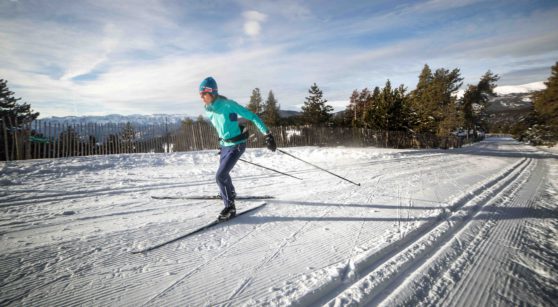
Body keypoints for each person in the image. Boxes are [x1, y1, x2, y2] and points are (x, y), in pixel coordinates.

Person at [199, 77, 277, 221]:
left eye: (203, 93)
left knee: (220, 176)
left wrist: (268, 134)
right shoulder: (208, 109)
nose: (201, 97)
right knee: (224, 174)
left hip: (237, 145)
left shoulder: (228, 104)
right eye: (200, 94)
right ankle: (230, 193)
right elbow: (223, 126)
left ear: (212, 92)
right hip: (224, 146)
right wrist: (222, 141)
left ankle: (230, 207)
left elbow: (252, 116)